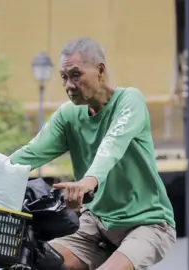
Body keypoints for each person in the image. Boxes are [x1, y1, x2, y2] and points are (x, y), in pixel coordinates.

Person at [10, 37, 176, 270]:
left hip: (147, 224)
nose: (69, 84)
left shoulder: (129, 101)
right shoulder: (68, 116)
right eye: (64, 77)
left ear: (100, 70)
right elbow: (29, 154)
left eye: (76, 75)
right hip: (96, 223)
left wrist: (88, 181)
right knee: (40, 263)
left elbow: (112, 146)